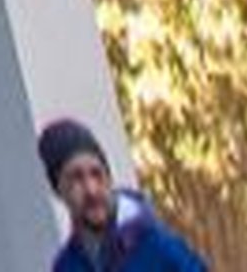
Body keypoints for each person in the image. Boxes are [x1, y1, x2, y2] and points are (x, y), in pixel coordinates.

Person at [41, 113, 215, 270]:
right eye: (76, 178)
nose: (91, 190)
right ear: (58, 190)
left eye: (97, 174)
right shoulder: (66, 267)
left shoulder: (159, 247)